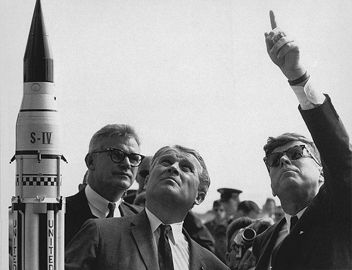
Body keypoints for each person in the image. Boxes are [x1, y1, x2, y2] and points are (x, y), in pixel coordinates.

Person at [251, 11, 351, 270]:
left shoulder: (341, 211)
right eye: (273, 161)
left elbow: (340, 158)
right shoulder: (263, 241)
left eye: (296, 153)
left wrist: (297, 76)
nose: (283, 160)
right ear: (272, 187)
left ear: (321, 172)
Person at [65, 145, 229, 270]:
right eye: (165, 162)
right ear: (147, 182)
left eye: (186, 168)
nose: (173, 168)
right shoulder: (100, 234)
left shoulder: (211, 264)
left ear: (199, 196)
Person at [65, 124, 144, 246]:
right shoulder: (58, 215)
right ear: (91, 161)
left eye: (134, 158)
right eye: (117, 155)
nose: (127, 164)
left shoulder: (142, 220)